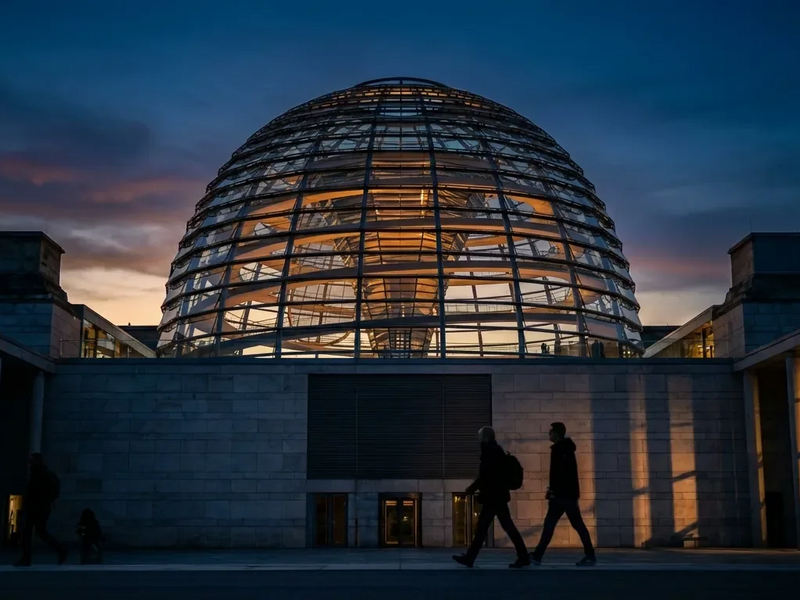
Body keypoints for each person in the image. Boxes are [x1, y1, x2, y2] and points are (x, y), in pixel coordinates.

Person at [452, 426, 530, 569]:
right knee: (496, 528)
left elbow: (486, 476)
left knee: (485, 529)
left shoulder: (490, 452)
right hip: (497, 496)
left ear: (485, 437)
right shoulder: (494, 450)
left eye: (480, 436)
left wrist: (472, 488)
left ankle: (470, 558)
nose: (478, 439)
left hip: (493, 497)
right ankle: (523, 556)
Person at [529, 422, 596, 566]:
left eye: (551, 432)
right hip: (566, 495)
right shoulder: (564, 448)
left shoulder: (561, 449)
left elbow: (560, 474)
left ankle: (538, 555)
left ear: (556, 433)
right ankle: (538, 555)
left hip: (562, 496)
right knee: (568, 524)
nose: (549, 434)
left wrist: (553, 491)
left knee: (554, 525)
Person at [14, 453, 67, 567]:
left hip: (38, 506)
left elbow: (37, 492)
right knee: (37, 531)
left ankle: (27, 558)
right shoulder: (40, 473)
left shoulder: (40, 474)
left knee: (31, 531)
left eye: (31, 459)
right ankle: (60, 550)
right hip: (39, 506)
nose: (29, 461)